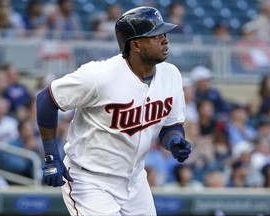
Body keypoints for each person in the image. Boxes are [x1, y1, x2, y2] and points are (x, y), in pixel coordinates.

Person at [36, 6, 191, 216]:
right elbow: (47, 99)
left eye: (164, 34)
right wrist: (51, 156)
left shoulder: (171, 75)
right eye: (156, 36)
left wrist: (174, 141)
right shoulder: (100, 76)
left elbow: (171, 126)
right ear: (135, 44)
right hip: (89, 179)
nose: (165, 39)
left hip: (135, 179)